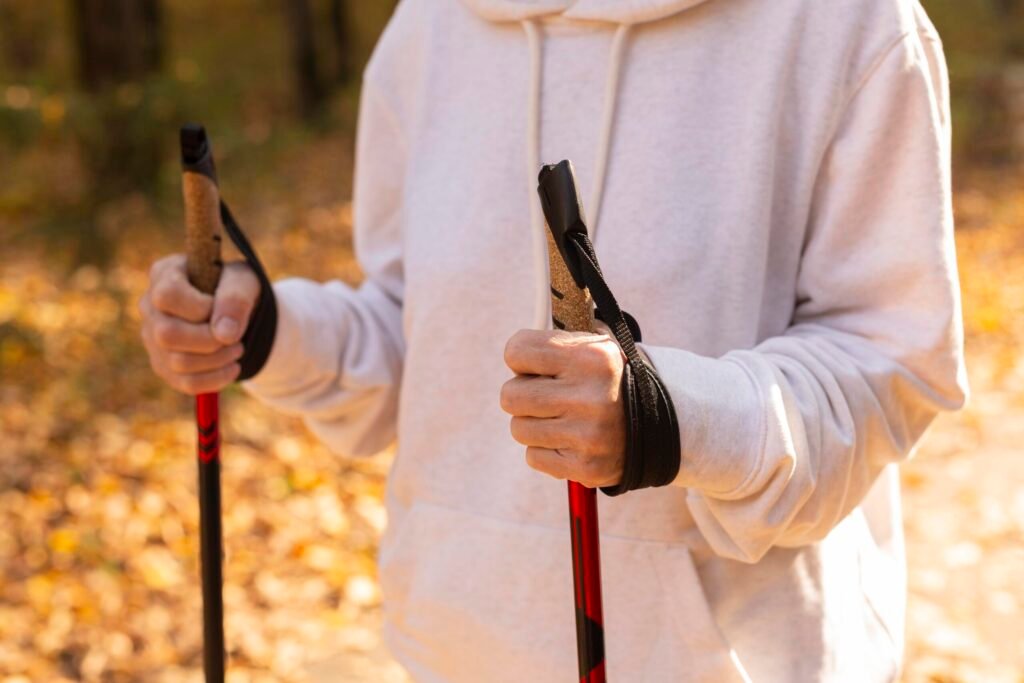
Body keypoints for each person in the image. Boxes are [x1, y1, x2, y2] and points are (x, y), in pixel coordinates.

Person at [139, 0, 969, 680]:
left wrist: (671, 419)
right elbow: (417, 336)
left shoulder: (847, 22)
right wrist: (266, 330)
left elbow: (888, 361)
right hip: (455, 650)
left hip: (736, 661)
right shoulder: (429, 26)